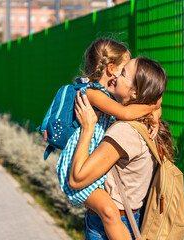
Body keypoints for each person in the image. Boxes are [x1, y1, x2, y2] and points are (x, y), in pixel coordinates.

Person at [56, 39, 161, 240]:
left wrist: (155, 112)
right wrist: (151, 107)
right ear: (111, 69)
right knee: (110, 212)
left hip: (91, 160)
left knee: (109, 211)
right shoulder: (92, 92)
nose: (122, 75)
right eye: (123, 69)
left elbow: (157, 98)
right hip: (78, 160)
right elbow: (125, 112)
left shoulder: (109, 94)